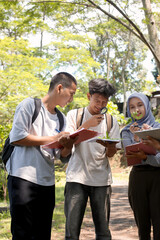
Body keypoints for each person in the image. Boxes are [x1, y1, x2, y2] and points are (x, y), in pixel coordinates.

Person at [6, 72, 77, 240]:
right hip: (22, 178)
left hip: (47, 182)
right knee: (22, 233)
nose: (71, 99)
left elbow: (61, 155)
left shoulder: (61, 118)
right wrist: (53, 138)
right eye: (71, 94)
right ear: (60, 88)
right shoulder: (29, 105)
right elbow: (17, 137)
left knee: (43, 233)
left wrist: (68, 145)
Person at [64, 78, 121, 240]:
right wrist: (86, 125)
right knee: (71, 233)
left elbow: (110, 154)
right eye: (97, 100)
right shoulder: (74, 115)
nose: (100, 105)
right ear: (89, 96)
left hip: (101, 181)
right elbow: (67, 142)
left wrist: (110, 148)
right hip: (76, 179)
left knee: (103, 233)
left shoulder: (111, 121)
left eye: (104, 102)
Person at [121, 92, 160, 240]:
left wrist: (145, 157)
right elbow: (131, 156)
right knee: (142, 226)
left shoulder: (157, 128)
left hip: (158, 178)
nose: (136, 110)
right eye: (132, 107)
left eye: (140, 105)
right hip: (138, 179)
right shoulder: (126, 131)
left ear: (147, 106)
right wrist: (138, 139)